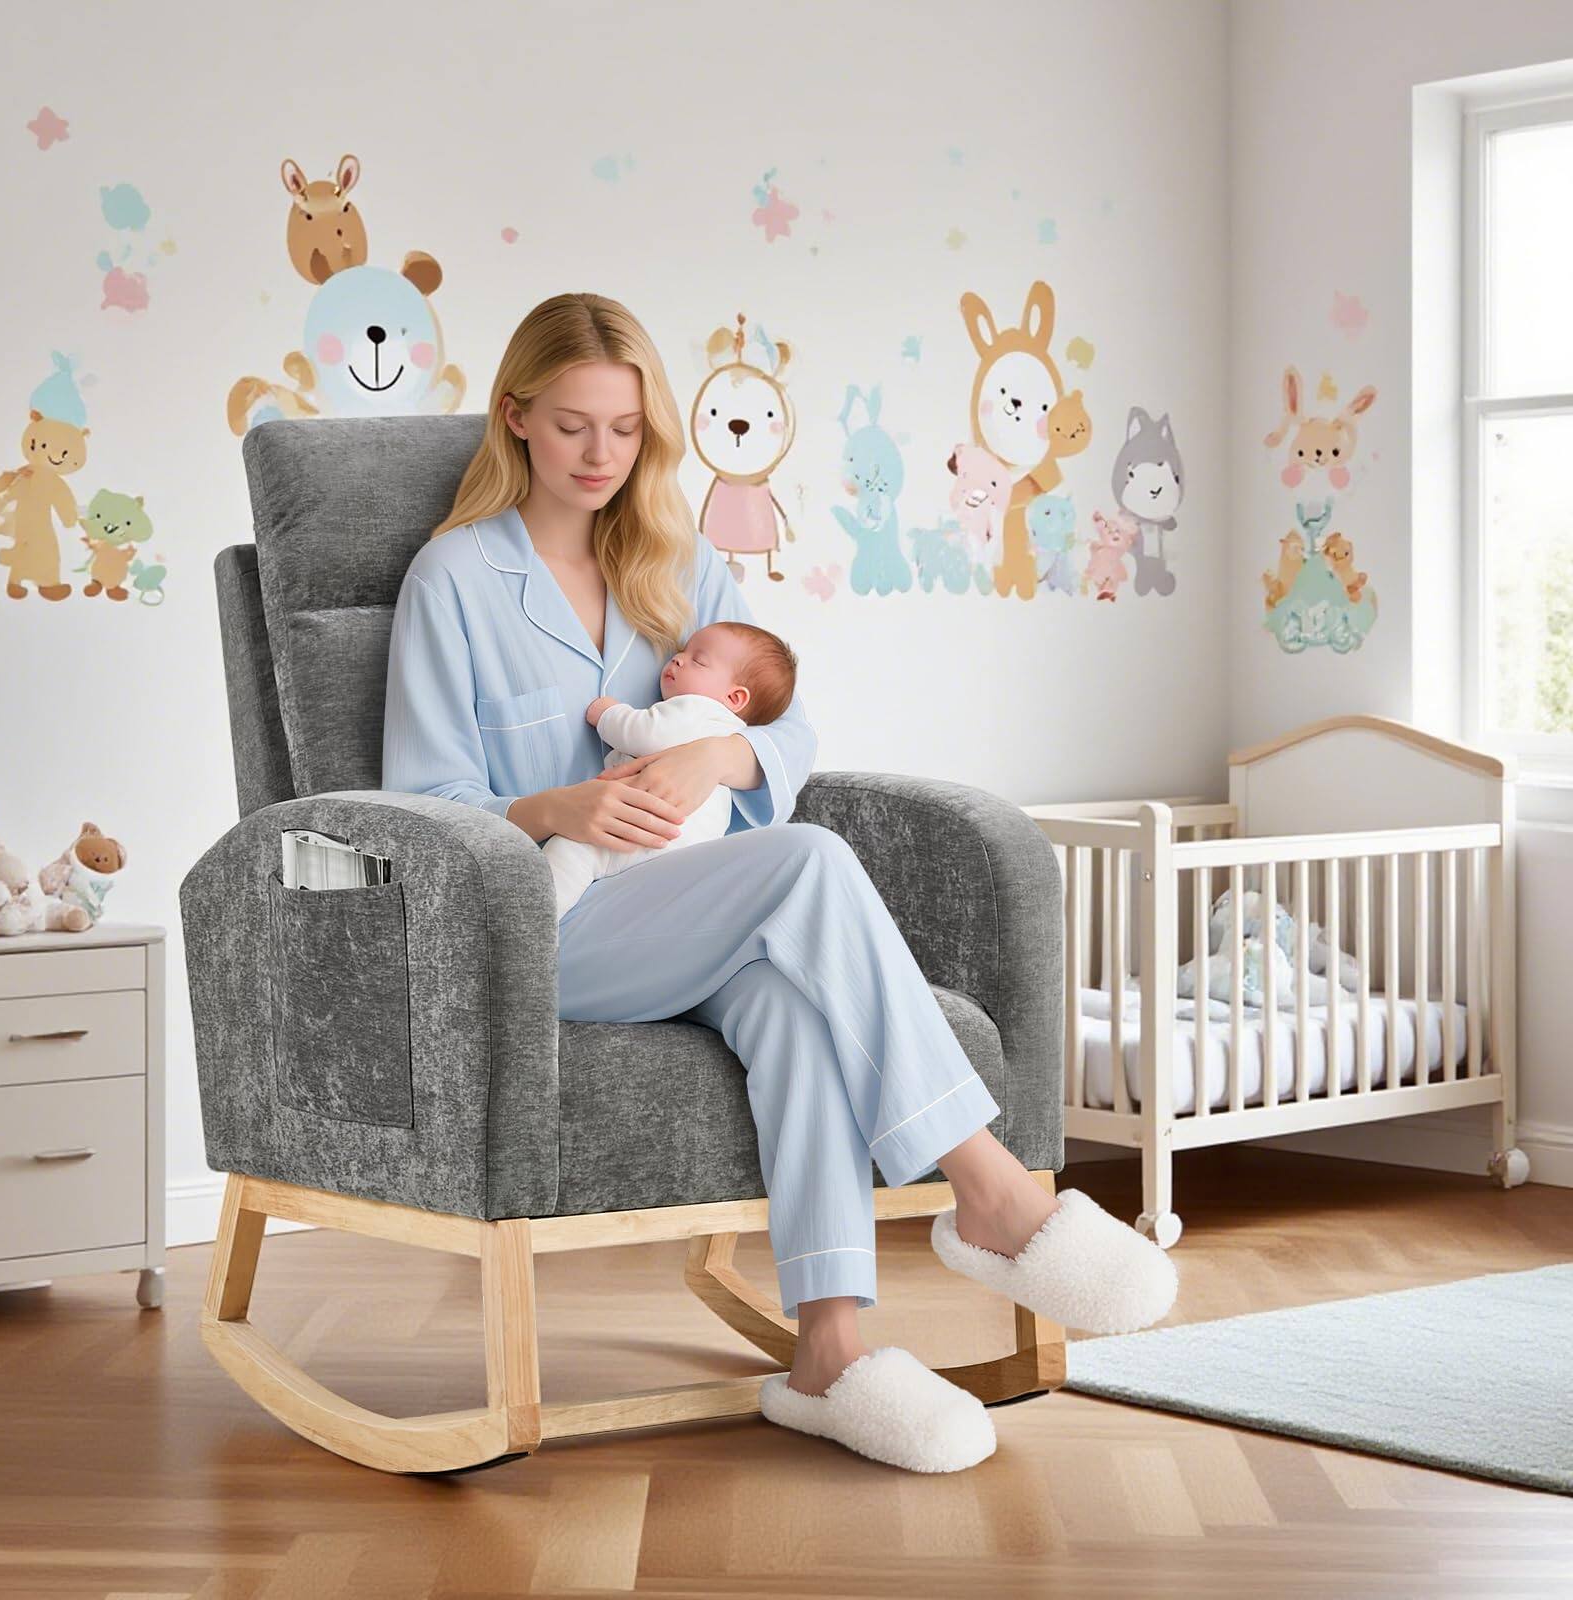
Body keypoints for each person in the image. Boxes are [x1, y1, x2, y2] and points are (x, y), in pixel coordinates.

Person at [382, 292, 1175, 1472]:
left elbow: (786, 732)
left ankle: (828, 1355)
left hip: (691, 907)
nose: (601, 455)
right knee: (808, 861)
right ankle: (993, 1190)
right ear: (515, 417)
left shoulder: (679, 562)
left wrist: (719, 756)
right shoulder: (453, 578)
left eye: (625, 429)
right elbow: (420, 799)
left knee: (796, 1006)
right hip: (548, 922)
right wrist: (554, 807)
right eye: (572, 426)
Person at [541, 619, 796, 920]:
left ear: (734, 698)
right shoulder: (729, 733)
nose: (678, 659)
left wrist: (608, 713)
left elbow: (645, 732)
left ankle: (536, 921)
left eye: (698, 661)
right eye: (683, 651)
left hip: (647, 829)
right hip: (684, 847)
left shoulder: (698, 710)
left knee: (571, 852)